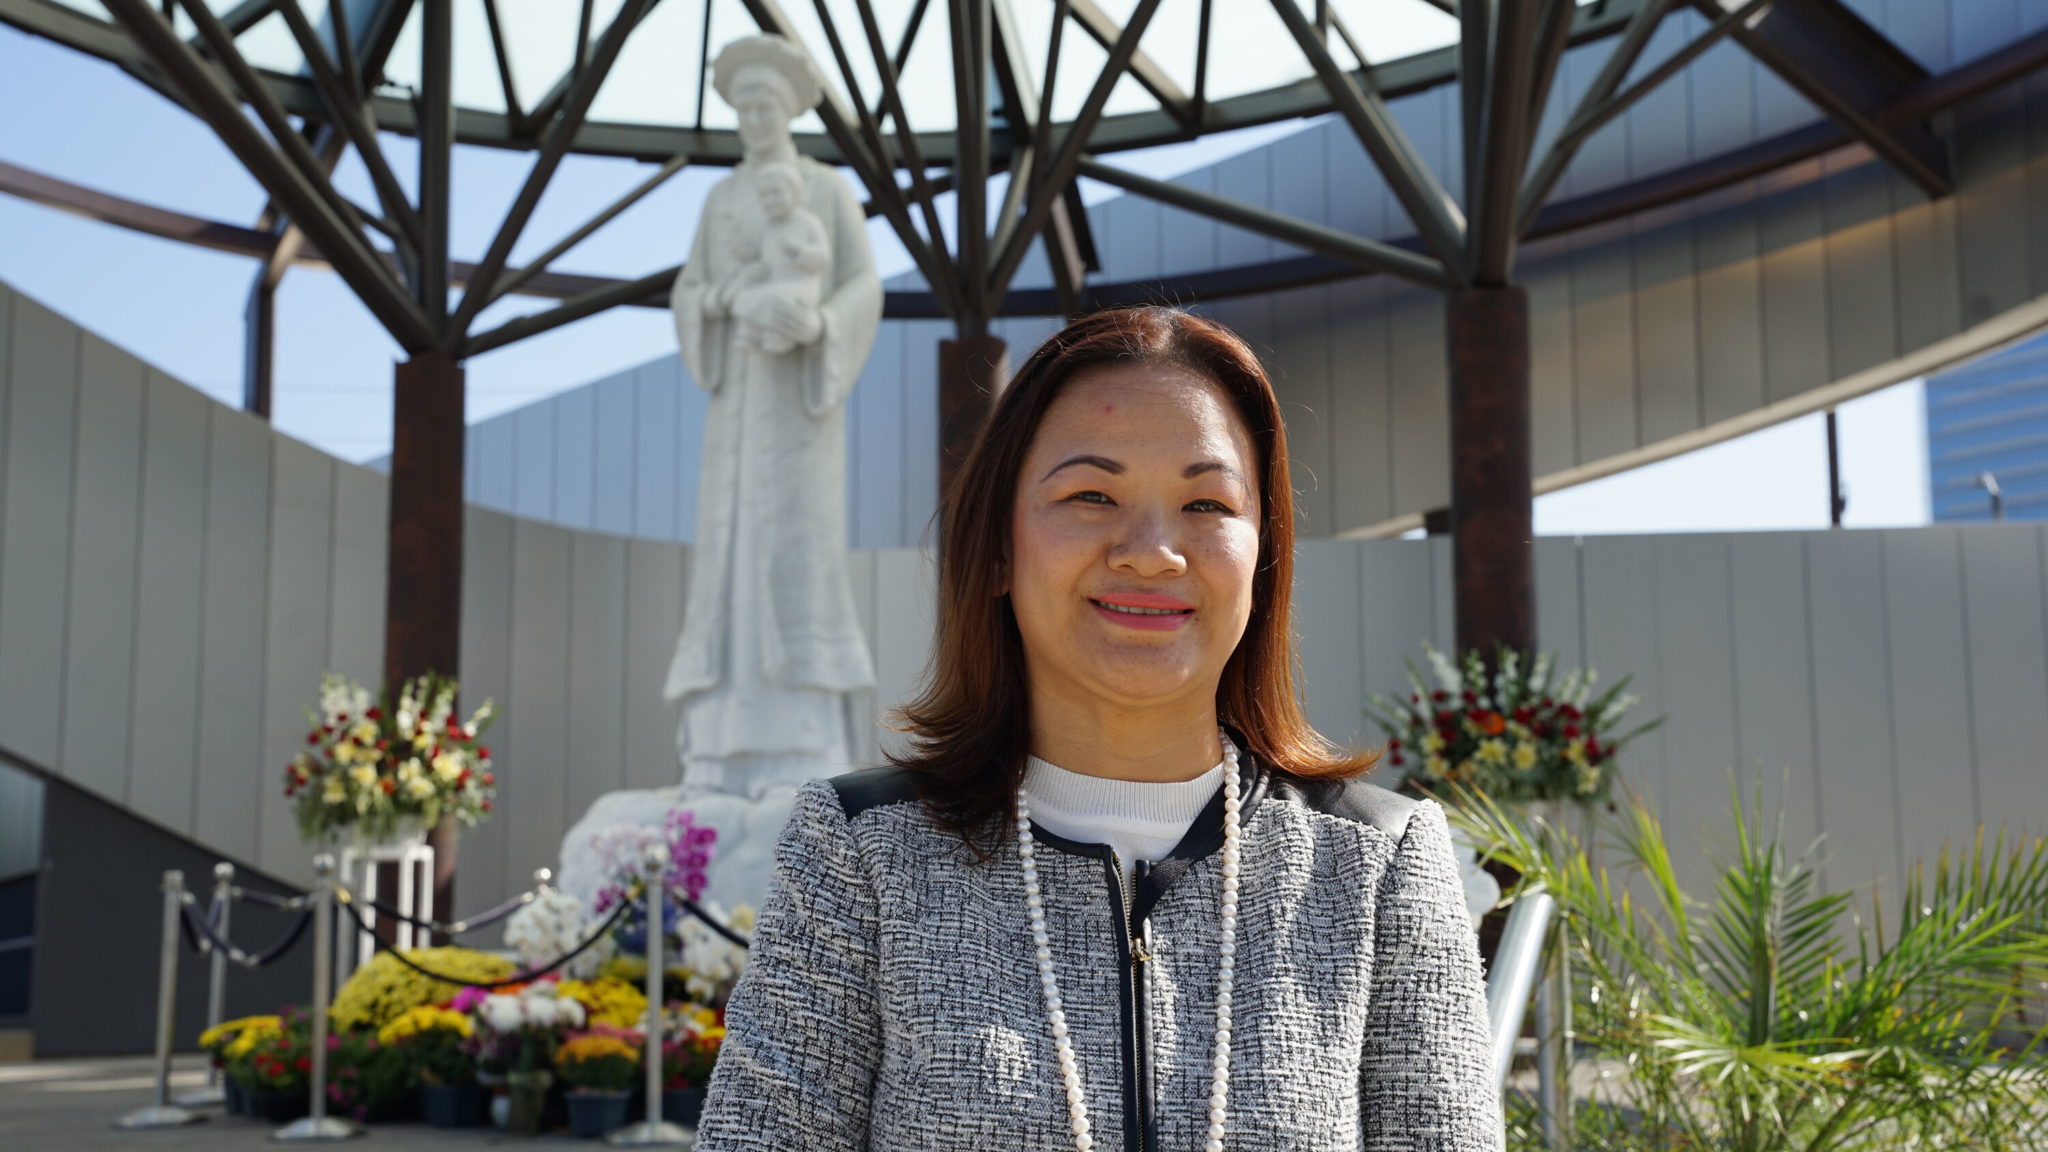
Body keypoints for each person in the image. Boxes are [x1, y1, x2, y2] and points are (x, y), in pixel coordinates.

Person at [692, 306, 1504, 1151]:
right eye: (1091, 494)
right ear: (998, 548)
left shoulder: (1378, 862)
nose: (1153, 551)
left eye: (1206, 501)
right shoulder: (861, 851)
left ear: (1263, 555)